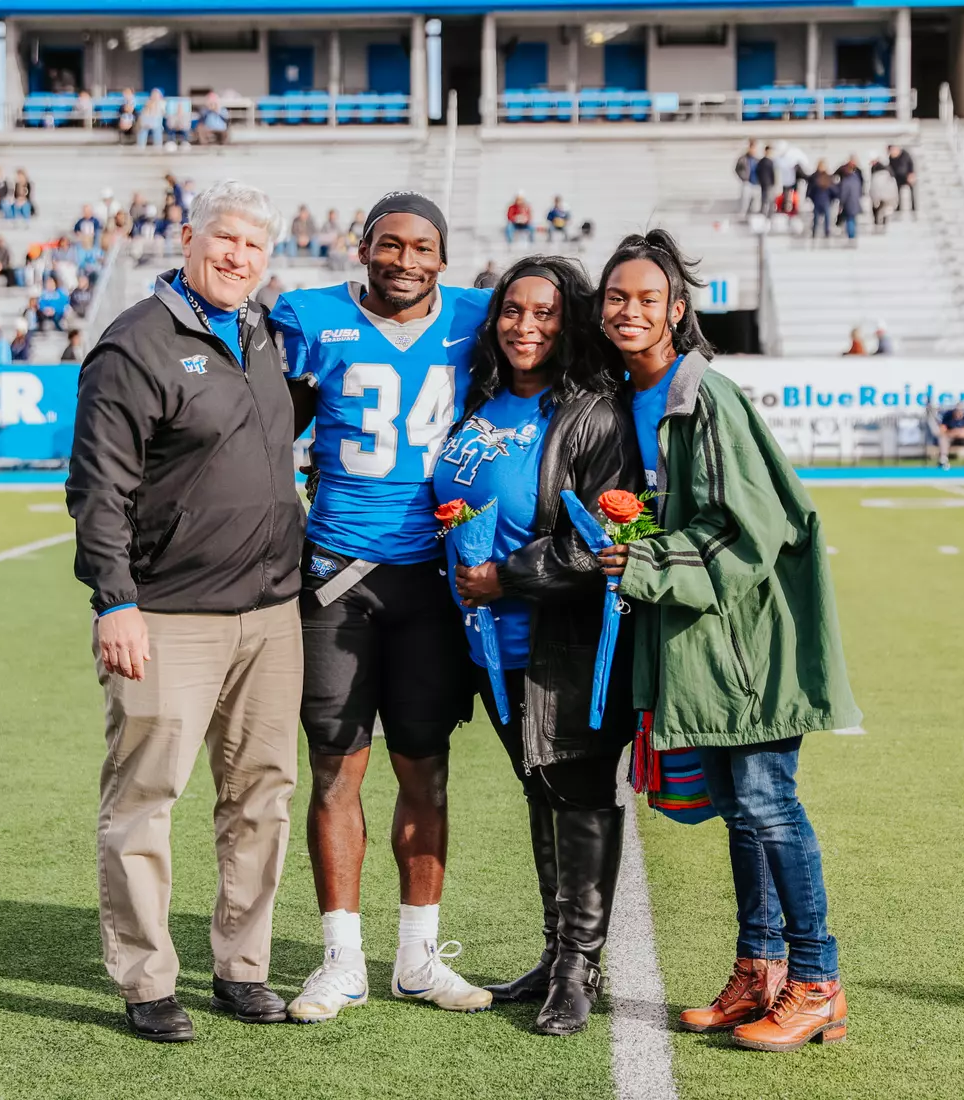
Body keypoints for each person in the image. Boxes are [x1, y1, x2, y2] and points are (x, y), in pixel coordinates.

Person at [593, 229, 859, 1053]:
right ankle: (761, 970)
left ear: (677, 310)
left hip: (748, 640)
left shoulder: (706, 394)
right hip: (699, 642)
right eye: (615, 298)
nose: (629, 311)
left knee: (768, 806)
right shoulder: (631, 393)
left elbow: (749, 528)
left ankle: (818, 981)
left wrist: (640, 558)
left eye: (646, 298)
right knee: (744, 815)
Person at [66, 180, 302, 1043]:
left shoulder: (268, 334)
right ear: (189, 237)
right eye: (225, 240)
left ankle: (242, 967)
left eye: (255, 246)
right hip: (167, 614)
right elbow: (97, 489)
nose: (239, 258)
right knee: (146, 798)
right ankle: (144, 978)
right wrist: (115, 599)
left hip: (272, 613)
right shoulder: (136, 344)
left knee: (262, 797)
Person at [271, 191, 495, 1024]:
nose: (405, 261)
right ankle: (341, 961)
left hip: (433, 579)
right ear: (362, 248)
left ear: (445, 257)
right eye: (390, 245)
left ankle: (417, 956)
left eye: (422, 248)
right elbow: (263, 422)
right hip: (337, 576)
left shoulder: (480, 314)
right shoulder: (308, 316)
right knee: (336, 770)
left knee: (424, 770)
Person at [436, 255, 640, 1035]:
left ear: (571, 322)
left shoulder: (592, 412)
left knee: (579, 795)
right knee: (540, 790)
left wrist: (506, 579)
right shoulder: (483, 398)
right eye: (513, 311)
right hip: (493, 648)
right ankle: (557, 950)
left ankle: (579, 970)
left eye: (547, 313)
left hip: (565, 645)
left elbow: (603, 545)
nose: (527, 326)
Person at [936, 401, 964, 469]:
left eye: (961, 412)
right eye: (957, 412)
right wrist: (953, 432)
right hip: (951, 436)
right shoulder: (948, 415)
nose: (959, 414)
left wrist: (962, 433)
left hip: (963, 437)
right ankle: (943, 459)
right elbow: (942, 431)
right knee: (942, 438)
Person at [835, 157, 863, 243]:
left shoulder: (846, 181)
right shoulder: (857, 179)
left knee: (849, 219)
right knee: (853, 219)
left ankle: (851, 236)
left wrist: (841, 203)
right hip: (855, 201)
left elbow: (843, 193)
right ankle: (853, 234)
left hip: (848, 203)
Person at [806, 162, 836, 241]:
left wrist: (832, 198)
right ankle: (815, 232)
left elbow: (833, 190)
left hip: (824, 200)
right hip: (818, 200)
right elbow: (811, 190)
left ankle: (826, 232)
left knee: (825, 218)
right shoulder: (815, 177)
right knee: (817, 218)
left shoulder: (827, 177)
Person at [887, 144, 917, 215]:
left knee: (911, 193)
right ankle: (899, 207)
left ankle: (913, 207)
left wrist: (911, 174)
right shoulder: (891, 157)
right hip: (898, 177)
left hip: (907, 175)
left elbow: (910, 164)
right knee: (898, 193)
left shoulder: (905, 154)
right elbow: (891, 167)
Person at [734, 140, 760, 213]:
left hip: (756, 183)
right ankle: (743, 214)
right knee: (744, 201)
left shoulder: (757, 160)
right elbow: (737, 169)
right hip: (747, 182)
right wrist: (743, 177)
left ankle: (753, 214)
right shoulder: (743, 159)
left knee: (755, 202)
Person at [754, 145, 778, 216]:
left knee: (767, 201)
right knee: (768, 201)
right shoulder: (766, 162)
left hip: (766, 184)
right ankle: (766, 216)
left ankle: (766, 215)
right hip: (768, 184)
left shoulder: (763, 162)